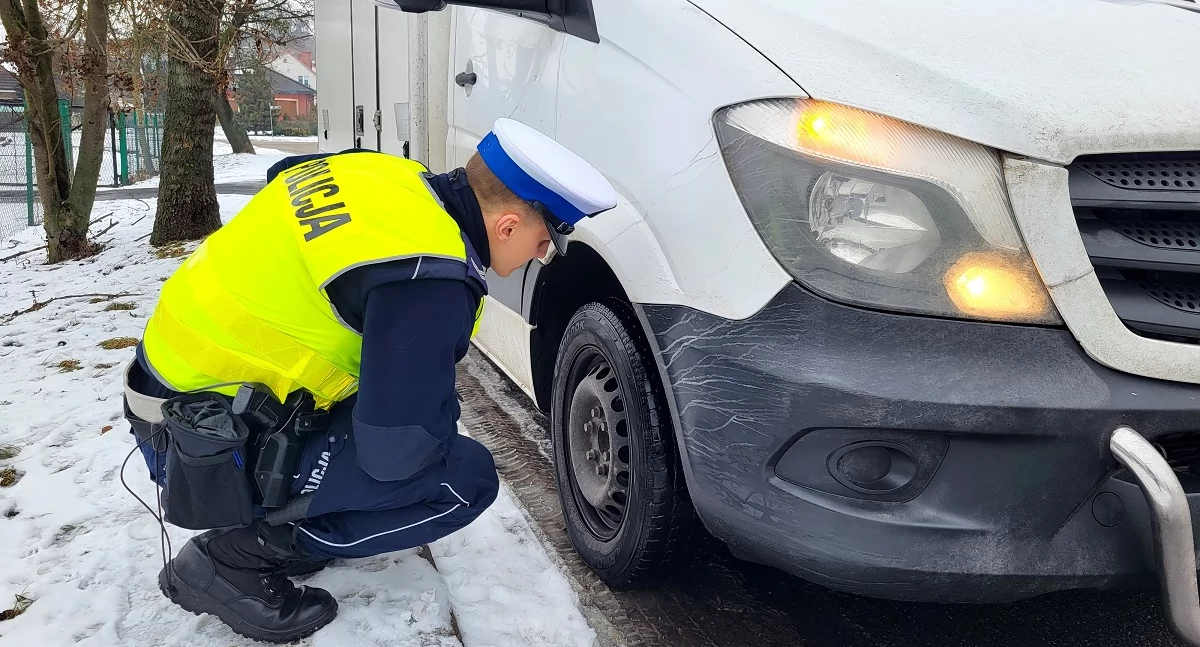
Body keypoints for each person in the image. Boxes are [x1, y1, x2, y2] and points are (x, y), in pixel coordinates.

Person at [121, 118, 618, 643]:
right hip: (201, 447)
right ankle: (235, 560)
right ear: (508, 226)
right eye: (543, 243)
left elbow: (283, 175)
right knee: (463, 480)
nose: (537, 259)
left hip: (172, 396)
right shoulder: (428, 278)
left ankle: (279, 517)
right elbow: (397, 453)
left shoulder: (386, 175)